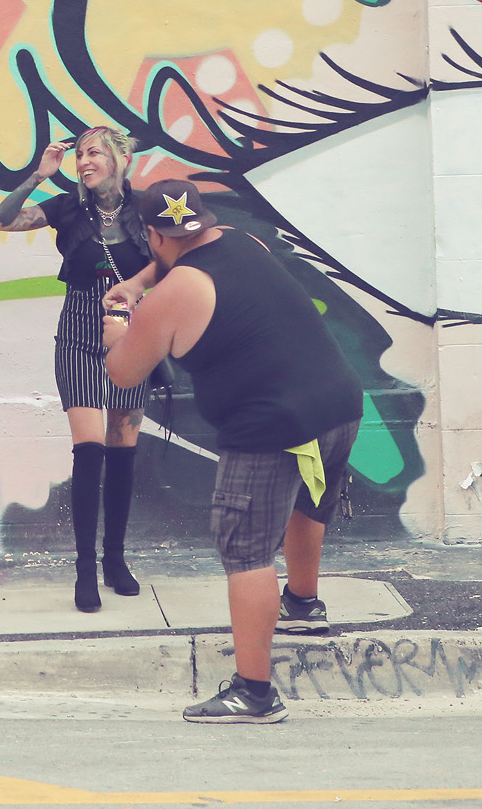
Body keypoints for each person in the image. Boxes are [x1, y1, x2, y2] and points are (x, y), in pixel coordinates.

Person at [100, 180, 363, 724]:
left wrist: (118, 326)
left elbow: (123, 371)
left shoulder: (172, 295)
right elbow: (176, 260)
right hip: (337, 403)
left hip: (268, 425)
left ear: (152, 235)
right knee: (308, 500)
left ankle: (255, 693)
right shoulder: (245, 242)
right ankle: (305, 604)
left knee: (244, 550)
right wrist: (140, 279)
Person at [0, 127, 153, 614]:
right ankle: (85, 567)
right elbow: (1, 221)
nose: (85, 161)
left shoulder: (146, 208)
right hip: (80, 328)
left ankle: (115, 560)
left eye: (95, 152)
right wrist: (39, 176)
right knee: (89, 450)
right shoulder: (65, 207)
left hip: (132, 330)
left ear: (121, 159)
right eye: (80, 154)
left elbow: (176, 258)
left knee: (124, 449)